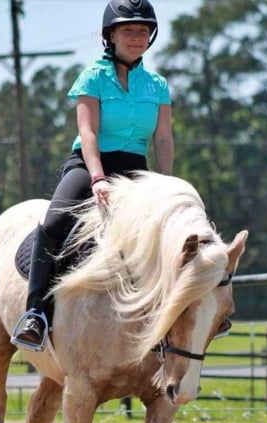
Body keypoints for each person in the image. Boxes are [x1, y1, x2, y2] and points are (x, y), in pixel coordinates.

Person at [11, 0, 173, 351]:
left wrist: (167, 184)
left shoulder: (157, 85)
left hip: (135, 170)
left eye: (143, 31)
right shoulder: (92, 78)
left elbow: (162, 138)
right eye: (128, 30)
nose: (136, 37)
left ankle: (168, 320)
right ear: (110, 36)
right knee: (53, 224)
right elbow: (88, 134)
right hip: (89, 164)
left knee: (169, 234)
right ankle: (35, 313)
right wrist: (98, 177)